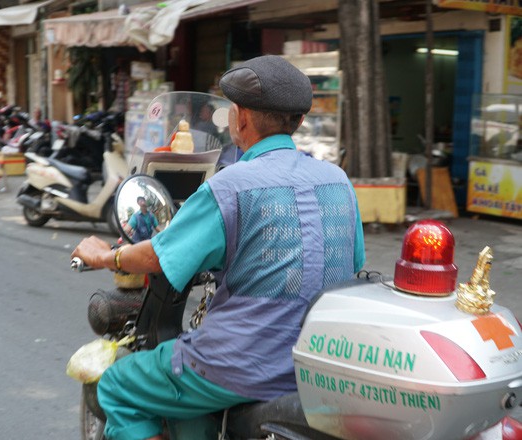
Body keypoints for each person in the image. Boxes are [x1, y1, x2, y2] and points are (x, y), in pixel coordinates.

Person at [71, 55, 365, 440]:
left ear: (240, 118)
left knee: (117, 386)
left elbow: (159, 256)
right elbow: (352, 263)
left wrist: (106, 256)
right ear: (299, 121)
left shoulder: (230, 186)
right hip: (312, 365)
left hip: (239, 364)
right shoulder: (337, 181)